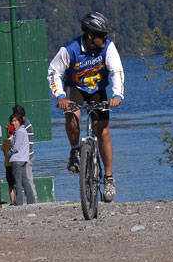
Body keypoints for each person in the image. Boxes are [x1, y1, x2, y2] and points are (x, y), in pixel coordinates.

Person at [47, 11, 124, 202]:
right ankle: (75, 149)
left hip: (98, 89)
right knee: (71, 113)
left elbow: (116, 70)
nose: (106, 38)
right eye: (102, 35)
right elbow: (53, 71)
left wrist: (117, 94)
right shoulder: (70, 49)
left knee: (103, 132)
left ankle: (108, 177)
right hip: (76, 88)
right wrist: (60, 96)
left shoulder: (108, 48)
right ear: (90, 36)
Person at [7, 114, 36, 206]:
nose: (13, 123)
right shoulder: (23, 131)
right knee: (25, 181)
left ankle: (19, 202)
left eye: (15, 121)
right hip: (23, 159)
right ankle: (31, 201)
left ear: (20, 121)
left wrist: (9, 153)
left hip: (17, 160)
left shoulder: (19, 131)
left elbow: (16, 146)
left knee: (17, 182)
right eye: (12, 121)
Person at [12, 105, 38, 202]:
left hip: (27, 157)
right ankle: (28, 201)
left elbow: (30, 144)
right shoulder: (21, 126)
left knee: (28, 180)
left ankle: (33, 201)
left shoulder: (27, 126)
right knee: (23, 180)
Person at [1, 124, 16, 206]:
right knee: (16, 183)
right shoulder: (15, 140)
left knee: (10, 185)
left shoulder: (5, 141)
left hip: (7, 165)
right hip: (15, 164)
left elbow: (4, 153)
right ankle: (18, 200)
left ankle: (13, 201)